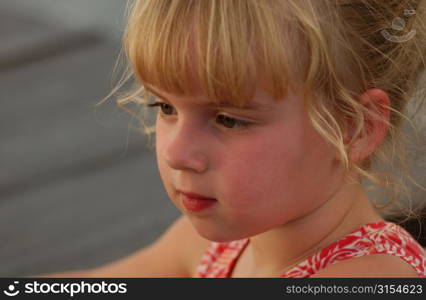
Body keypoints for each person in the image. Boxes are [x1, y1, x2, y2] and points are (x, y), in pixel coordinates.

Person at [42, 0, 426, 277]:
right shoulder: (218, 246)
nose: (177, 153)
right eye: (165, 107)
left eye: (228, 119)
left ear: (354, 127)